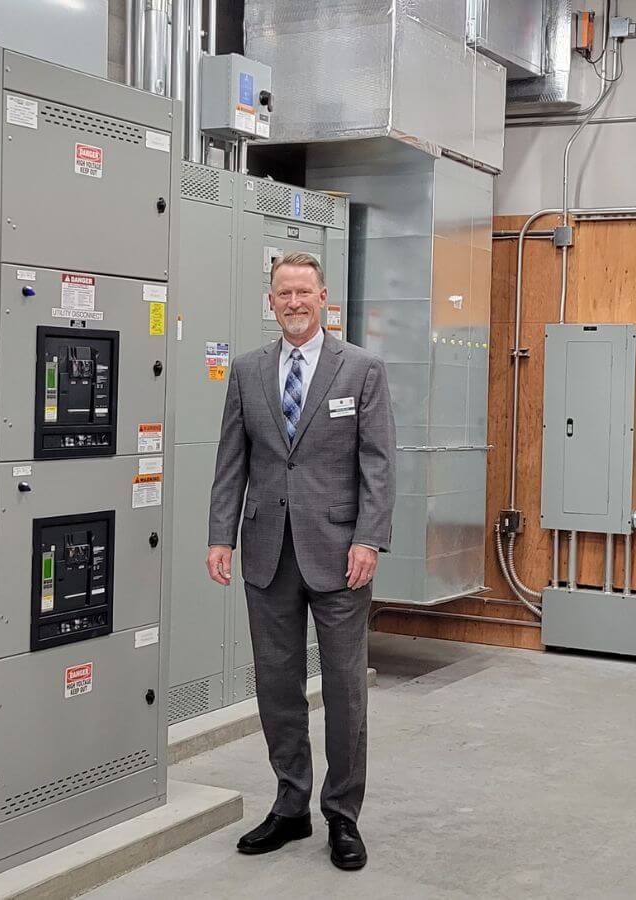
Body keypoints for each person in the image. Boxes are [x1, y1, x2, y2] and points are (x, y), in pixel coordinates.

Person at [206, 251, 395, 871]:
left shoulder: (362, 369)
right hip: (267, 554)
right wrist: (220, 536)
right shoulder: (247, 371)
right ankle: (291, 805)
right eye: (283, 293)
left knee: (344, 690)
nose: (293, 302)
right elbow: (232, 461)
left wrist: (369, 538)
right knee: (277, 688)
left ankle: (342, 814)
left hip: (341, 555)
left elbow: (377, 464)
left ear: (323, 299)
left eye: (303, 293)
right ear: (271, 300)